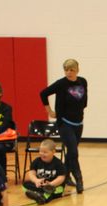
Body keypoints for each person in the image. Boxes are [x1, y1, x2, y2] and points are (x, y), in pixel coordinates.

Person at [40, 59, 87, 193]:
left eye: (71, 69)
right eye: (66, 69)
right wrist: (49, 111)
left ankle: (65, 176)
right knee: (73, 151)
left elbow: (84, 101)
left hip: (78, 123)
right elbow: (43, 93)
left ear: (77, 69)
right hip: (64, 123)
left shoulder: (83, 81)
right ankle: (79, 179)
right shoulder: (61, 84)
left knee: (70, 153)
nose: (69, 72)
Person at [23, 139, 67, 205]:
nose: (42, 154)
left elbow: (61, 177)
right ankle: (39, 194)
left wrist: (51, 184)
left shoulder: (58, 163)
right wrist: (36, 180)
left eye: (45, 152)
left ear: (53, 152)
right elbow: (32, 173)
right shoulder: (36, 161)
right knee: (25, 184)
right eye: (40, 151)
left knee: (54, 189)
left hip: (53, 186)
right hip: (40, 185)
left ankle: (42, 197)